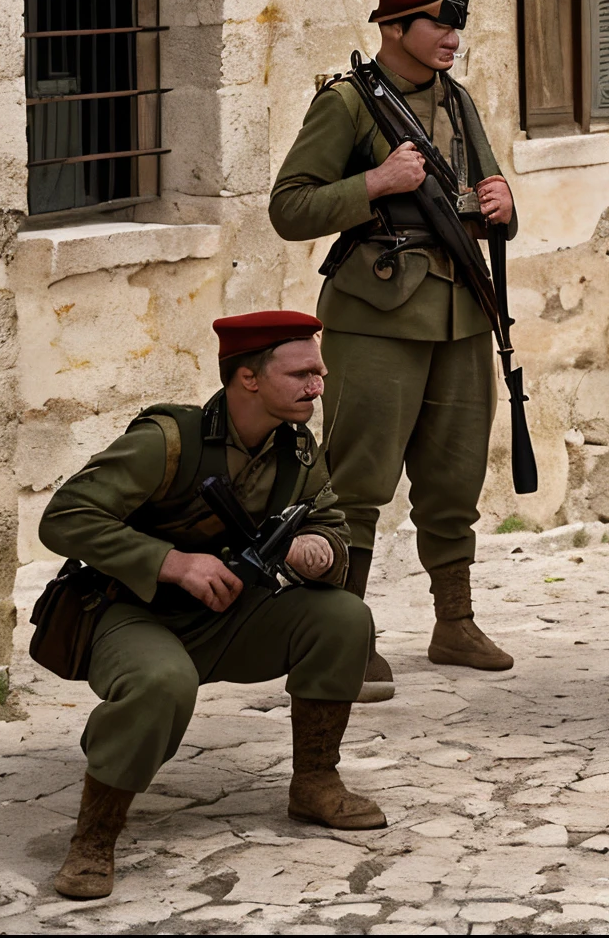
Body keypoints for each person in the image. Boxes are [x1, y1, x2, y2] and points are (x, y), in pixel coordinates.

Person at [38, 312, 383, 900]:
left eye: (319, 372)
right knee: (162, 683)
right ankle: (94, 839)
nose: (317, 385)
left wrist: (320, 551)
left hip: (229, 616)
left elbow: (330, 523)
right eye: (300, 373)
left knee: (345, 618)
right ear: (247, 378)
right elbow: (64, 517)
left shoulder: (297, 450)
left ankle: (315, 782)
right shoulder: (168, 442)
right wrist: (172, 562)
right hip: (134, 612)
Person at [270, 0, 519, 699]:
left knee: (454, 478)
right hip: (378, 316)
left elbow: (482, 194)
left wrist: (503, 204)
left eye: (456, 25)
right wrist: (374, 185)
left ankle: (456, 622)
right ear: (393, 28)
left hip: (461, 313)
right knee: (358, 482)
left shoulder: (459, 102)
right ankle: (346, 633)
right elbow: (290, 209)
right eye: (438, 24)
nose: (451, 38)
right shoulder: (348, 105)